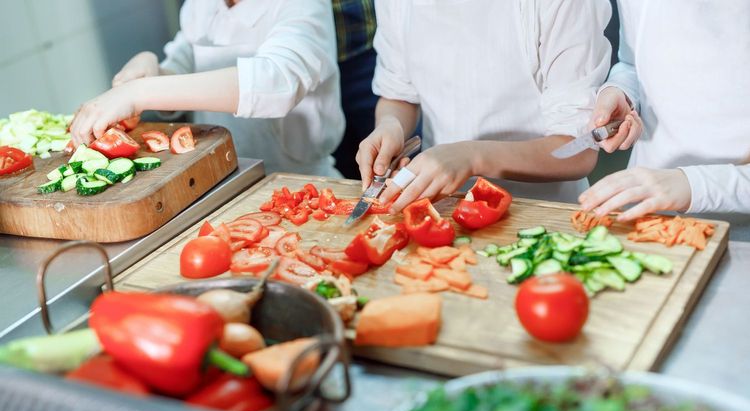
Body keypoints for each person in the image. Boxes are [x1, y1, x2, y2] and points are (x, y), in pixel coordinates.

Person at [357, 0, 612, 214]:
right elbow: (399, 94)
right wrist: (391, 124)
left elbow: (579, 150)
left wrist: (471, 157)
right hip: (444, 211)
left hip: (540, 213)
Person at [70, 0, 345, 178]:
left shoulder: (303, 6)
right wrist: (154, 67)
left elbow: (276, 80)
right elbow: (187, 56)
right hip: (221, 175)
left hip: (299, 179)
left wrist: (140, 92)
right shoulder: (201, 4)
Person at [579, 1, 750, 222]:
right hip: (644, 210)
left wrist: (691, 184)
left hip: (738, 230)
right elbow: (632, 62)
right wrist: (621, 91)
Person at [331, 0, 379, 179]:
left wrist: (391, 122)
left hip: (365, 51)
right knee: (342, 162)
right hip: (315, 72)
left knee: (387, 157)